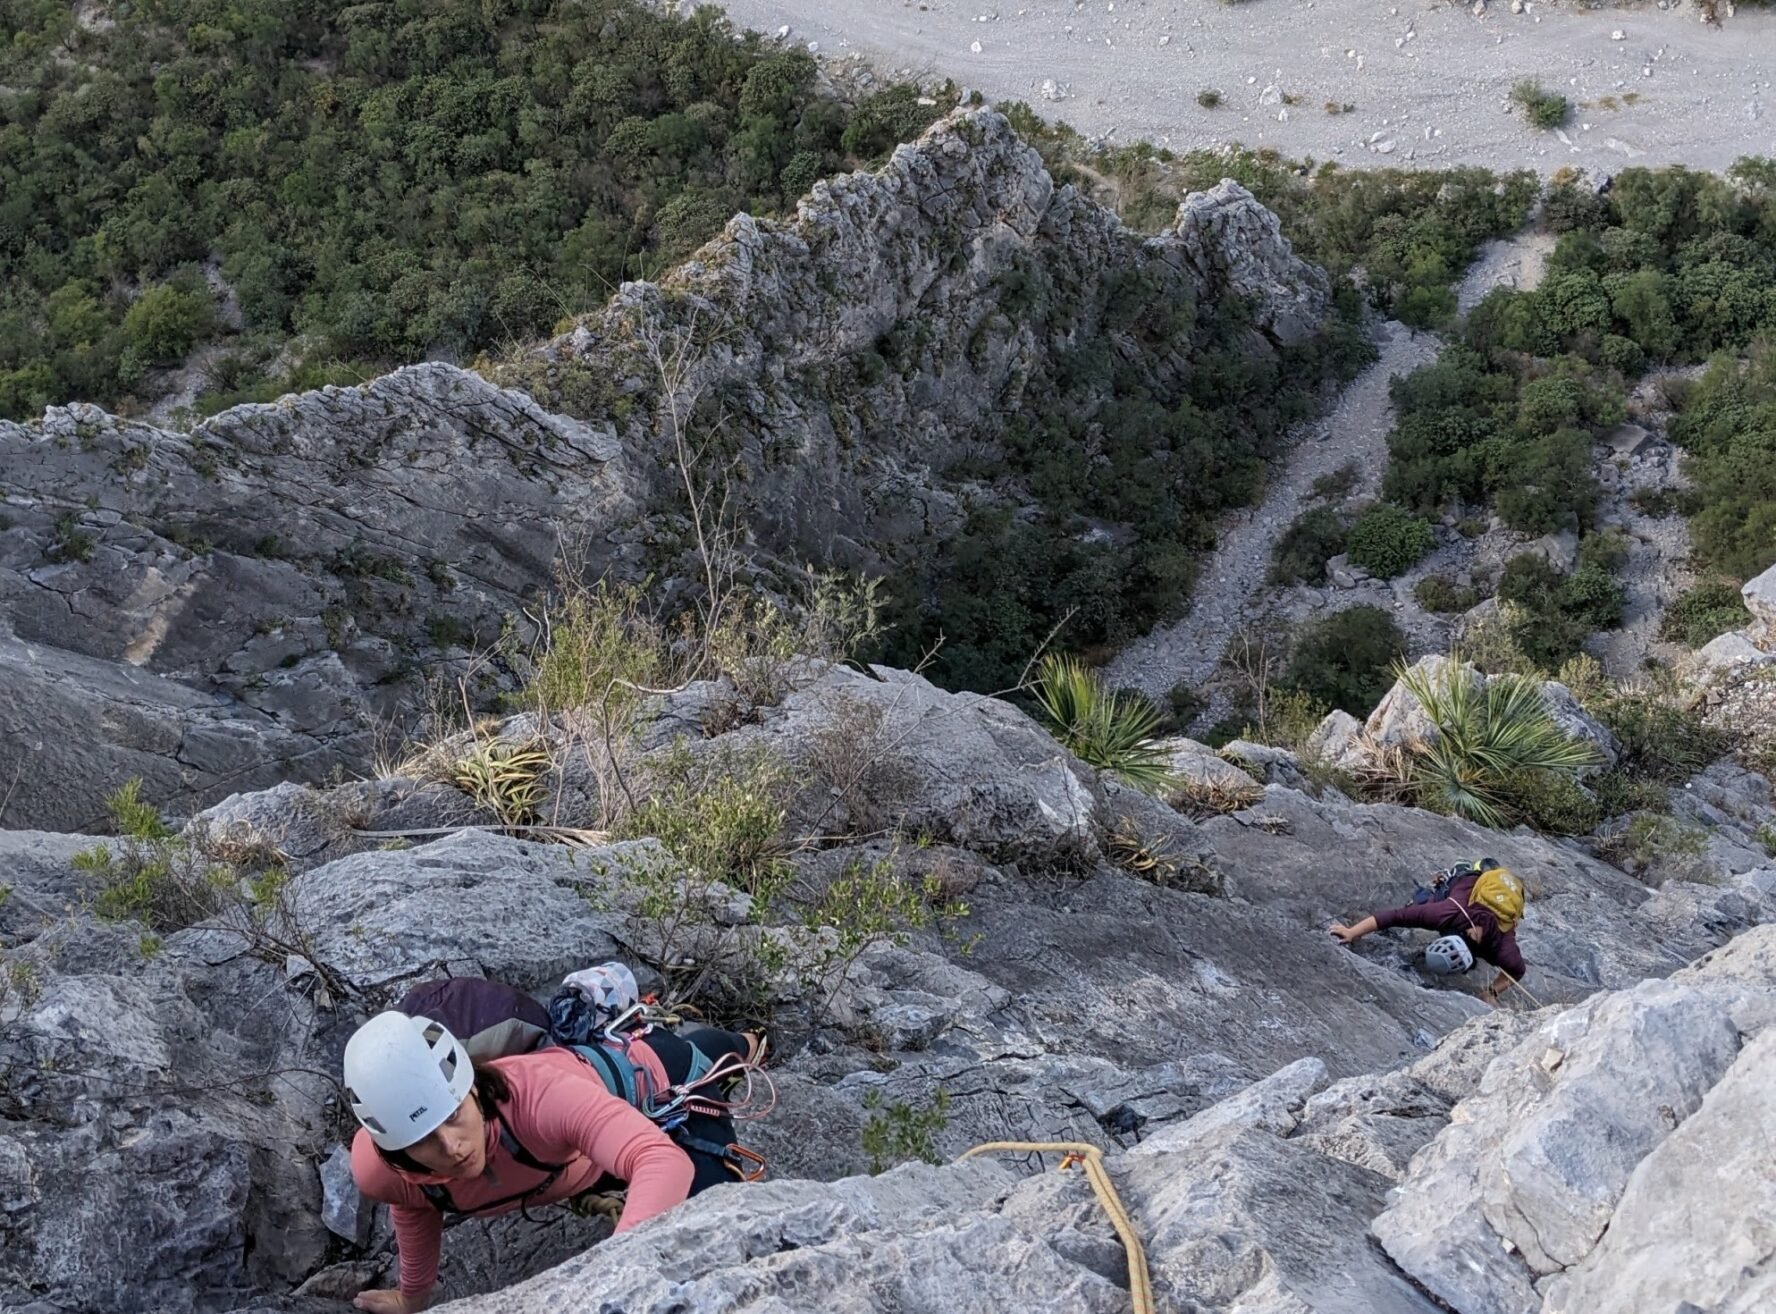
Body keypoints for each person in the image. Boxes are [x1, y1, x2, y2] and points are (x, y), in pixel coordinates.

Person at [343, 1011, 755, 1313]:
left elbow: (662, 1161)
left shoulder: (538, 1099)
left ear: (472, 1088)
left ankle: (745, 1041)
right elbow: (415, 1203)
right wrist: (412, 1297)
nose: (452, 1147)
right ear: (399, 1151)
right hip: (582, 1159)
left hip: (661, 1090)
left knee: (725, 1054)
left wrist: (613, 1278)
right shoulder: (381, 1170)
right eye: (424, 1140)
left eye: (452, 1115)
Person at [1330, 860, 1527, 1005]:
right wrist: (1352, 932)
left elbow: (1517, 970)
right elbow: (1395, 917)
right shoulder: (1447, 912)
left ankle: (1476, 870)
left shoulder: (1501, 946)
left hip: (1486, 893)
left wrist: (1491, 992)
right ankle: (1475, 869)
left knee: (1427, 904)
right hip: (1468, 888)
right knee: (1422, 905)